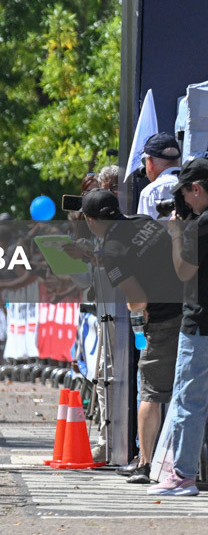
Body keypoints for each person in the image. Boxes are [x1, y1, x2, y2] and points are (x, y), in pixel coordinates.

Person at [72, 189, 180, 485]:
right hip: (191, 306)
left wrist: (137, 317)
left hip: (162, 318)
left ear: (92, 221)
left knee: (151, 391)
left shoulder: (112, 249)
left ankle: (145, 463)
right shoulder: (144, 221)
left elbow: (137, 298)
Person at [148, 158, 208, 496]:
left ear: (196, 189)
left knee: (189, 399)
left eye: (184, 195)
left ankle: (183, 475)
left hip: (199, 323)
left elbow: (183, 272)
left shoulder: (202, 225)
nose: (183, 203)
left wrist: (175, 235)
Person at [138, 133, 182, 220]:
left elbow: (143, 231)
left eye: (144, 161)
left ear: (150, 162)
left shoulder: (150, 192)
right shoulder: (196, 184)